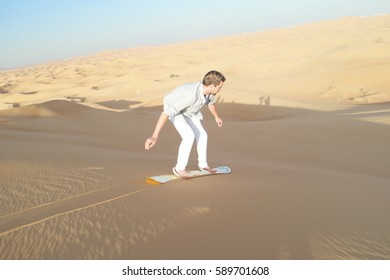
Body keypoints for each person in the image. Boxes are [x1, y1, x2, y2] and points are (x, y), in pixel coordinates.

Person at [144, 70, 226, 179]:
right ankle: (179, 168)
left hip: (189, 109)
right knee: (189, 136)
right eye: (219, 87)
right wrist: (154, 136)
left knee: (202, 135)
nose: (220, 89)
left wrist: (216, 116)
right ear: (211, 86)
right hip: (174, 107)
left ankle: (203, 165)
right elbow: (166, 113)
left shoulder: (209, 92)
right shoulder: (190, 95)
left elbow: (210, 103)